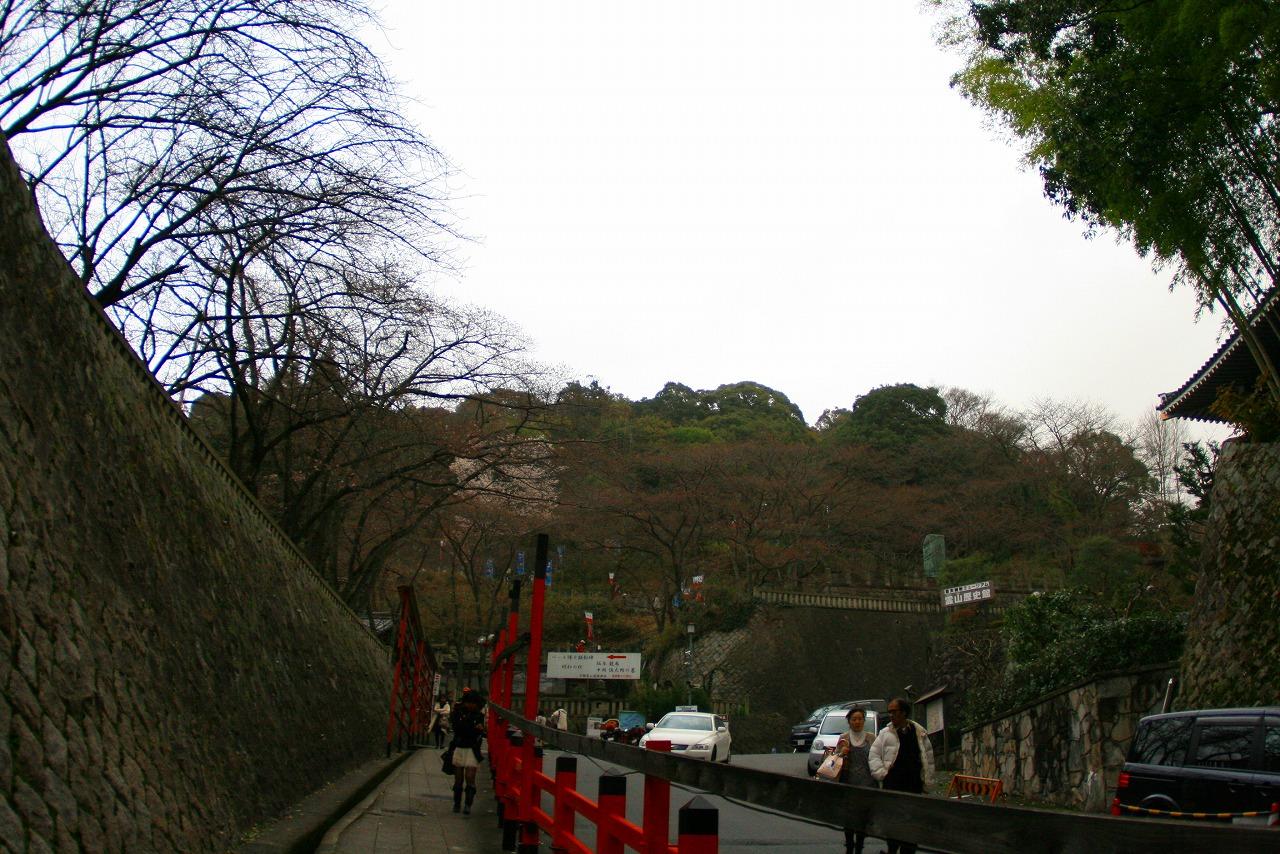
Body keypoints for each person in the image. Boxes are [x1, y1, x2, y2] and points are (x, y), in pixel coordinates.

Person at [869, 698, 935, 854]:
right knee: (893, 820)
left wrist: (928, 780)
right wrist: (882, 773)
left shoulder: (919, 732)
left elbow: (928, 757)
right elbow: (874, 755)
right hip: (893, 784)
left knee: (912, 821)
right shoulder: (885, 733)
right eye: (889, 712)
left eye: (894, 711)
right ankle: (892, 849)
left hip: (913, 784)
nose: (891, 715)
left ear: (904, 712)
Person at [835, 707, 876, 854]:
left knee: (863, 817)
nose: (857, 722)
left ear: (864, 721)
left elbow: (877, 758)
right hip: (848, 782)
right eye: (854, 719)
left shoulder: (871, 738)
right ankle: (849, 845)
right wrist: (842, 753)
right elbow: (835, 759)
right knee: (849, 816)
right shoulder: (844, 738)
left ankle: (859, 846)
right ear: (849, 721)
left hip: (867, 783)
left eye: (860, 719)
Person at [449, 691, 487, 815]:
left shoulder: (478, 715)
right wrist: (472, 728)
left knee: (470, 777)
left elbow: (476, 731)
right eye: (469, 702)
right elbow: (458, 728)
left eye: (473, 703)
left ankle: (467, 804)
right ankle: (457, 803)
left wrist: (470, 728)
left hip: (471, 748)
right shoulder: (459, 713)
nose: (471, 705)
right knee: (458, 778)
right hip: (460, 746)